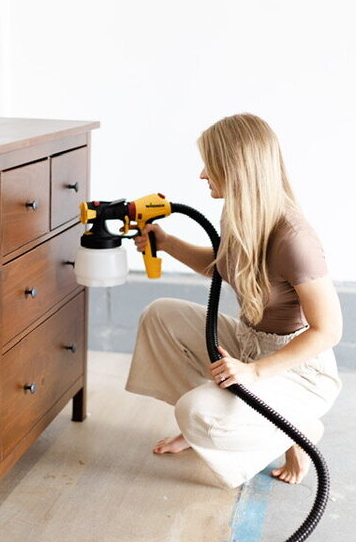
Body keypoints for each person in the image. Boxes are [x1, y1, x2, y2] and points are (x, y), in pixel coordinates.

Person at [125, 113, 342, 488]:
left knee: (194, 413)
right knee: (159, 315)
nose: (202, 174)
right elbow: (223, 267)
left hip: (298, 370)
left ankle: (298, 430)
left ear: (235, 167)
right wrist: (168, 242)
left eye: (210, 164)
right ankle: (213, 430)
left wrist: (256, 371)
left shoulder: (295, 238)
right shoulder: (239, 213)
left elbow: (329, 330)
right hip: (248, 344)